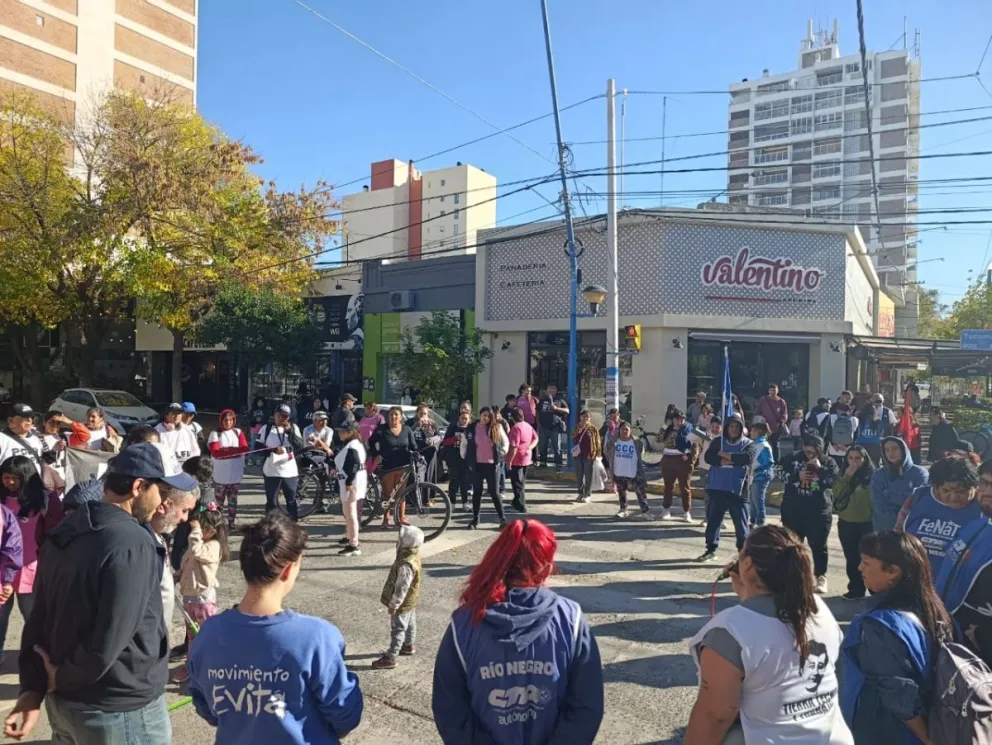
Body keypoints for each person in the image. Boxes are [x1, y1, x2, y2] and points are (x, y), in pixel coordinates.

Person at [4, 443, 195, 744]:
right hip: (119, 712)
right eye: (161, 491)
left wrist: (34, 687)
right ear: (138, 487)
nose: (162, 502)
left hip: (67, 705)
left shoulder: (67, 529)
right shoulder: (133, 542)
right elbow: (108, 640)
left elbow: (40, 617)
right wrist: (56, 679)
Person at [187, 514, 364, 744]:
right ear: (288, 570)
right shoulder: (316, 637)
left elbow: (206, 705)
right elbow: (345, 712)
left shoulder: (208, 634)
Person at [432, 519, 604, 744]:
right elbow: (586, 706)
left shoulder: (464, 622)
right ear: (547, 565)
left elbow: (450, 709)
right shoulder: (571, 619)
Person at [687, 525, 852, 745]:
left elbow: (717, 715)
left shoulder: (728, 632)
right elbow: (770, 625)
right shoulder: (818, 608)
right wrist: (748, 595)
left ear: (746, 564)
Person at [840, 531, 951, 745]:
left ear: (893, 572)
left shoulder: (879, 627)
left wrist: (926, 738)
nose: (859, 568)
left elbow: (897, 693)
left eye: (866, 562)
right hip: (932, 717)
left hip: (888, 731)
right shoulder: (935, 610)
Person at [0, 455, 62, 659]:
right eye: (5, 477)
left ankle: (39, 660)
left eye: (15, 478)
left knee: (34, 619)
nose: (9, 482)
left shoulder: (44, 500)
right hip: (3, 571)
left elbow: (56, 531)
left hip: (32, 569)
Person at [938, 460, 992, 666]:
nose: (986, 491)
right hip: (952, 638)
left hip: (980, 655)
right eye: (984, 483)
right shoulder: (977, 525)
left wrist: (984, 636)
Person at [899, 456, 983, 579]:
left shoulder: (984, 507)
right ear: (936, 487)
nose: (953, 497)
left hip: (959, 585)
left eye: (961, 491)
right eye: (946, 491)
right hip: (916, 580)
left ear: (976, 487)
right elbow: (898, 535)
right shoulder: (919, 497)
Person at [172, 505, 228, 684]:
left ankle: (211, 665)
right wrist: (178, 575)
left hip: (204, 600)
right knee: (192, 636)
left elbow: (197, 551)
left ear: (213, 531)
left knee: (205, 635)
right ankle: (191, 664)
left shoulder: (213, 546)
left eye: (202, 528)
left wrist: (195, 531)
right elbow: (187, 560)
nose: (197, 532)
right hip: (189, 598)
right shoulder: (197, 543)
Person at [780, 432, 839, 594]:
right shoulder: (792, 458)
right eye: (806, 450)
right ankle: (793, 577)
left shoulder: (829, 462)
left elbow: (834, 480)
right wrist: (796, 475)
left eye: (813, 451)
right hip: (793, 510)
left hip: (818, 512)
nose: (809, 453)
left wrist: (820, 470)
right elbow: (777, 471)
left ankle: (821, 576)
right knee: (792, 546)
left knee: (819, 546)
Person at [699, 417, 756, 563]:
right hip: (717, 488)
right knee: (713, 522)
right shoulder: (718, 441)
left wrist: (725, 455)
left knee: (742, 527)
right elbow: (709, 457)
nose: (734, 429)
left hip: (738, 491)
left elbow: (747, 458)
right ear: (727, 427)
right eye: (732, 426)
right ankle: (710, 550)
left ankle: (743, 555)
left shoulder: (748, 443)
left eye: (737, 426)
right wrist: (731, 460)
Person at [372, 525, 424, 670]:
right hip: (410, 600)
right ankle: (408, 645)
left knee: (398, 628)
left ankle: (391, 657)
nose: (398, 541)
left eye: (400, 539)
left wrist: (394, 604)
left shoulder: (405, 564)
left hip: (402, 602)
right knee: (411, 622)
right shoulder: (413, 555)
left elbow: (402, 587)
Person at [833, 446, 876, 599]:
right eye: (850, 458)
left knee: (870, 558)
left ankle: (874, 590)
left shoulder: (873, 476)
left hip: (867, 523)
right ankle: (856, 588)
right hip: (847, 522)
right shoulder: (843, 474)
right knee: (852, 557)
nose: (854, 462)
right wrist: (847, 477)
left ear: (865, 459)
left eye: (858, 458)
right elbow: (835, 494)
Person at [369, 406, 418, 528]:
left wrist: (416, 454)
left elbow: (413, 446)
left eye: (396, 414)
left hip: (403, 466)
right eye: (391, 415)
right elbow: (371, 442)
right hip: (387, 466)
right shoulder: (381, 429)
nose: (393, 417)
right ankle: (386, 519)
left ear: (401, 417)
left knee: (401, 493)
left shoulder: (406, 429)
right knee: (388, 494)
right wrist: (376, 455)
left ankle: (402, 518)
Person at [460, 406, 508, 529]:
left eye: (488, 416)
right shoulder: (471, 428)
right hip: (477, 465)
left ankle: (502, 519)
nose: (485, 418)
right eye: (483, 415)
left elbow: (505, 442)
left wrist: (501, 453)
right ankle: (475, 520)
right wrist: (466, 457)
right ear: (480, 415)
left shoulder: (496, 427)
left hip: (492, 465)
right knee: (477, 492)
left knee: (494, 492)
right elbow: (464, 444)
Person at [256, 404, 304, 520]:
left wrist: (290, 432)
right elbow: (257, 447)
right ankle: (270, 527)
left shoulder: (294, 427)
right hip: (272, 471)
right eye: (280, 415)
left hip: (289, 471)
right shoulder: (266, 428)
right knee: (272, 502)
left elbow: (300, 446)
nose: (283, 418)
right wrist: (273, 450)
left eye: (286, 416)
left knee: (291, 501)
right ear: (275, 415)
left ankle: (293, 527)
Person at [870, 437, 929, 532]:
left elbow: (920, 503)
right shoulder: (879, 475)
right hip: (885, 527)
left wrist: (904, 521)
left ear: (903, 450)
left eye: (895, 449)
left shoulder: (920, 473)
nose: (891, 453)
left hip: (911, 528)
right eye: (887, 450)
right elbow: (878, 504)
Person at [207, 409, 249, 530]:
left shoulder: (238, 432)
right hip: (220, 474)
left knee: (233, 501)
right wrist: (234, 451)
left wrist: (227, 450)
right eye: (225, 420)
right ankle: (218, 523)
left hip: (235, 473)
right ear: (221, 420)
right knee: (219, 502)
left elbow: (244, 449)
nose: (228, 423)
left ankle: (231, 523)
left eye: (231, 420)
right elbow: (216, 452)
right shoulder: (215, 433)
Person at [334, 422, 366, 557]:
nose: (340, 433)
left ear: (350, 432)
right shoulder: (353, 444)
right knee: (348, 513)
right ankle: (350, 537)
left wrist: (348, 481)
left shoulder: (352, 445)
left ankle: (354, 545)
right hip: (353, 480)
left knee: (350, 513)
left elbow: (355, 464)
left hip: (352, 482)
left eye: (343, 431)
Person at [659, 408, 695, 522]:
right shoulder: (668, 429)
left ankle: (686, 511)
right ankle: (666, 508)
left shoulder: (689, 429)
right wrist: (664, 427)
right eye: (677, 419)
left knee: (684, 487)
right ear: (673, 420)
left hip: (682, 460)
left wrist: (691, 459)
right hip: (668, 459)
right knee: (668, 486)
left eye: (682, 419)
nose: (679, 421)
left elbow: (696, 446)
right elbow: (658, 439)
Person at [612, 421, 651, 519]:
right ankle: (623, 510)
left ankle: (645, 511)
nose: (624, 431)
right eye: (622, 429)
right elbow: (607, 451)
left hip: (634, 471)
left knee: (640, 492)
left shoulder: (636, 442)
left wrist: (635, 439)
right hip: (619, 471)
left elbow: (641, 452)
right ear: (619, 430)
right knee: (622, 492)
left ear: (630, 431)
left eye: (627, 429)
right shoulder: (614, 442)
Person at [506, 408, 538, 514]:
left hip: (517, 458)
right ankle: (516, 502)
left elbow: (514, 446)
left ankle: (520, 506)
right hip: (526, 457)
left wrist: (509, 460)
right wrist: (530, 447)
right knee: (521, 482)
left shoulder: (516, 428)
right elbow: (536, 438)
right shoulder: (527, 425)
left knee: (517, 483)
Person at [0, 404, 45, 473]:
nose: (30, 421)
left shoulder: (36, 440)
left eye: (32, 417)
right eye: (25, 418)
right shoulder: (2, 439)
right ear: (10, 420)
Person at [857, 393, 897, 466]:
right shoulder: (866, 411)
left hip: (884, 441)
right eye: (875, 400)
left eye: (879, 400)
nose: (877, 403)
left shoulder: (888, 411)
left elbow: (893, 425)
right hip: (869, 442)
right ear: (872, 400)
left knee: (887, 462)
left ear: (883, 400)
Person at [571, 410, 602, 505]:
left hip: (589, 455)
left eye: (588, 417)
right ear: (580, 417)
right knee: (579, 476)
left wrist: (598, 454)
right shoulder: (577, 427)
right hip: (578, 455)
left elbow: (597, 442)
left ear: (590, 418)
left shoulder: (593, 428)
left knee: (589, 476)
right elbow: (572, 437)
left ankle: (587, 494)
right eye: (584, 417)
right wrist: (578, 431)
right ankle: (580, 493)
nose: (586, 418)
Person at [442, 411, 472, 510]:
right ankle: (452, 502)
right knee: (454, 481)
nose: (463, 420)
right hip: (453, 459)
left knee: (465, 482)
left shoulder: (470, 429)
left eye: (466, 419)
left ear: (469, 420)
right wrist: (455, 438)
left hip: (465, 460)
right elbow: (445, 442)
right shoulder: (452, 428)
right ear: (459, 418)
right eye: (462, 418)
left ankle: (465, 502)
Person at [156, 402, 200, 468]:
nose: (176, 416)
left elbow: (196, 451)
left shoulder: (187, 430)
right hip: (167, 470)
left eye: (179, 413)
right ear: (166, 415)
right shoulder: (157, 430)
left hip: (185, 470)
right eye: (173, 413)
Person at [749, 421, 775, 528]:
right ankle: (753, 521)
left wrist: (758, 471)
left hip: (761, 476)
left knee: (758, 500)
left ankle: (760, 523)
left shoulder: (764, 446)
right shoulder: (755, 443)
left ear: (758, 431)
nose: (750, 432)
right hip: (753, 475)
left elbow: (769, 462)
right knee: (752, 500)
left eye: (752, 430)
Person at [537, 385, 568, 469]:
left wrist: (556, 408)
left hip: (555, 427)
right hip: (543, 427)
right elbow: (537, 412)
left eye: (553, 389)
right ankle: (543, 463)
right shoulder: (542, 400)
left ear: (556, 390)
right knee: (543, 447)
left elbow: (567, 411)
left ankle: (558, 464)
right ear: (547, 390)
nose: (551, 390)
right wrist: (538, 424)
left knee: (556, 447)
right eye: (549, 389)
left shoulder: (559, 400)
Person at [757, 384, 789, 462]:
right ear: (768, 391)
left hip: (776, 428)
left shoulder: (781, 402)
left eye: (774, 390)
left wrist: (780, 422)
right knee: (764, 445)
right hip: (764, 427)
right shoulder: (763, 400)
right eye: (771, 390)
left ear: (777, 391)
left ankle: (776, 462)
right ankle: (764, 461)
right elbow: (758, 412)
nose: (773, 392)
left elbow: (784, 414)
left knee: (775, 446)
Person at [824, 401, 859, 472]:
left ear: (837, 410)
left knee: (834, 470)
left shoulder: (832, 417)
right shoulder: (854, 420)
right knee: (847, 470)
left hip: (834, 449)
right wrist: (847, 446)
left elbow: (828, 433)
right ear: (849, 410)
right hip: (847, 450)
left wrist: (835, 445)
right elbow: (856, 435)